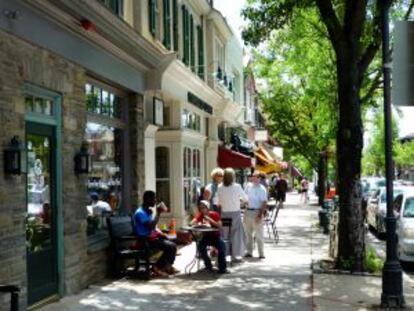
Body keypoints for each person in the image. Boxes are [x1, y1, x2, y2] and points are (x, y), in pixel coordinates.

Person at [134, 190, 178, 277]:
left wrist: (161, 233)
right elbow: (150, 226)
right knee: (171, 246)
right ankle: (157, 267)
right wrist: (158, 213)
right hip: (144, 240)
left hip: (150, 238)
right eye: (154, 198)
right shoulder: (140, 213)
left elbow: (153, 227)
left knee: (172, 242)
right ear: (147, 199)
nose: (155, 200)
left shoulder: (147, 211)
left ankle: (167, 266)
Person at [217, 168, 248, 262]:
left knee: (225, 234)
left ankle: (223, 255)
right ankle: (235, 255)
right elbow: (245, 198)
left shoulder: (220, 187)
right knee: (236, 234)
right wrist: (241, 201)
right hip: (235, 213)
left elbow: (217, 201)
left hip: (225, 213)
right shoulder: (237, 186)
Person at [191, 200, 228, 274]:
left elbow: (219, 226)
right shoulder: (201, 215)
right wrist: (195, 222)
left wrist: (209, 219)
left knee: (222, 246)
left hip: (215, 236)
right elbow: (192, 222)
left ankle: (222, 268)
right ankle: (208, 265)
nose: (202, 209)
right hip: (206, 237)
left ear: (208, 208)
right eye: (201, 208)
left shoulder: (215, 214)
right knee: (200, 246)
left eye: (204, 207)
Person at [244, 171, 268, 259]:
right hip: (248, 211)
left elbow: (264, 202)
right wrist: (244, 205)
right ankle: (249, 251)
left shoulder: (262, 188)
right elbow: (244, 197)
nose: (253, 178)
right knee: (248, 233)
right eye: (252, 176)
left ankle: (261, 253)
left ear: (259, 178)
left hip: (257, 211)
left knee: (259, 234)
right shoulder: (248, 186)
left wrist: (260, 214)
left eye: (255, 176)